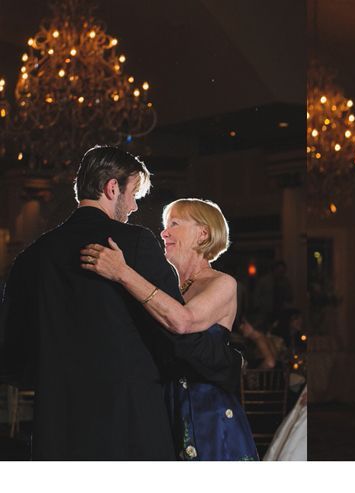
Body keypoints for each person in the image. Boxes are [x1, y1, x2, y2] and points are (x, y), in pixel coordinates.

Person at [0, 146, 242, 459]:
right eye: (133, 196)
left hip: (56, 427)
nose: (132, 208)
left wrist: (56, 378)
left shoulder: (30, 258)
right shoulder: (135, 243)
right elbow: (174, 341)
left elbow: (12, 353)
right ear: (112, 188)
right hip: (129, 426)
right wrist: (229, 363)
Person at [80, 198, 257, 460]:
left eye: (174, 223)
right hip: (164, 409)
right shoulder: (167, 288)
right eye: (165, 225)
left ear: (203, 233)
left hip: (208, 417)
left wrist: (122, 272)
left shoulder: (223, 282)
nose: (164, 232)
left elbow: (183, 321)